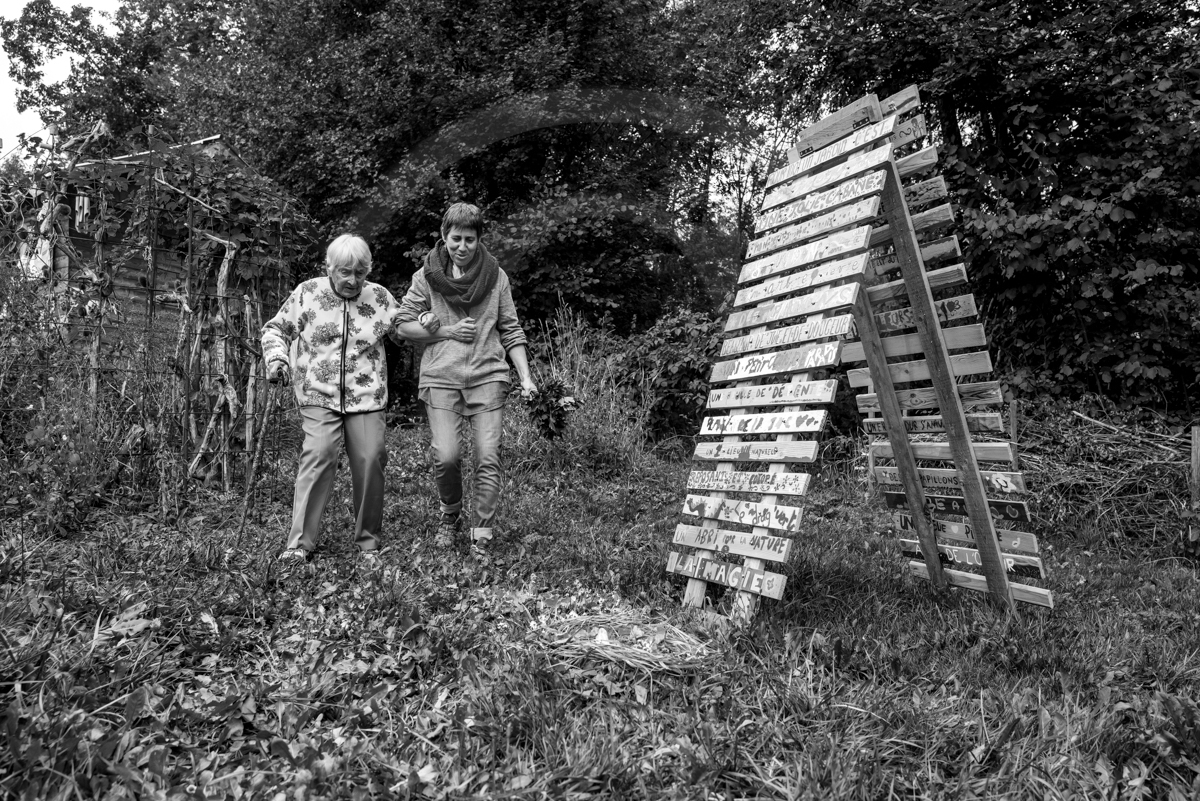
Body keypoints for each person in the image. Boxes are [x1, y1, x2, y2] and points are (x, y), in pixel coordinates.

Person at [397, 202, 537, 552]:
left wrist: (526, 377)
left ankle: (482, 534)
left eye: (470, 240)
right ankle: (450, 515)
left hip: (488, 376)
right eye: (456, 239)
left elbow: (511, 330)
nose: (462, 246)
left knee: (488, 456)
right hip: (441, 376)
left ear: (479, 239)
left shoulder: (496, 277)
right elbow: (402, 325)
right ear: (444, 237)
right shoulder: (426, 277)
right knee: (447, 455)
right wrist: (446, 331)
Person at [261, 233, 404, 566]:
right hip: (318, 392)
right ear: (329, 268)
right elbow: (275, 329)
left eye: (360, 273)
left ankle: (368, 542)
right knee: (320, 452)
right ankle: (299, 544)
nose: (353, 280)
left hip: (366, 395)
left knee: (371, 457)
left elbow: (403, 331)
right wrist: (277, 358)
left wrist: (425, 322)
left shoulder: (379, 297)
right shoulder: (307, 293)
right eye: (345, 272)